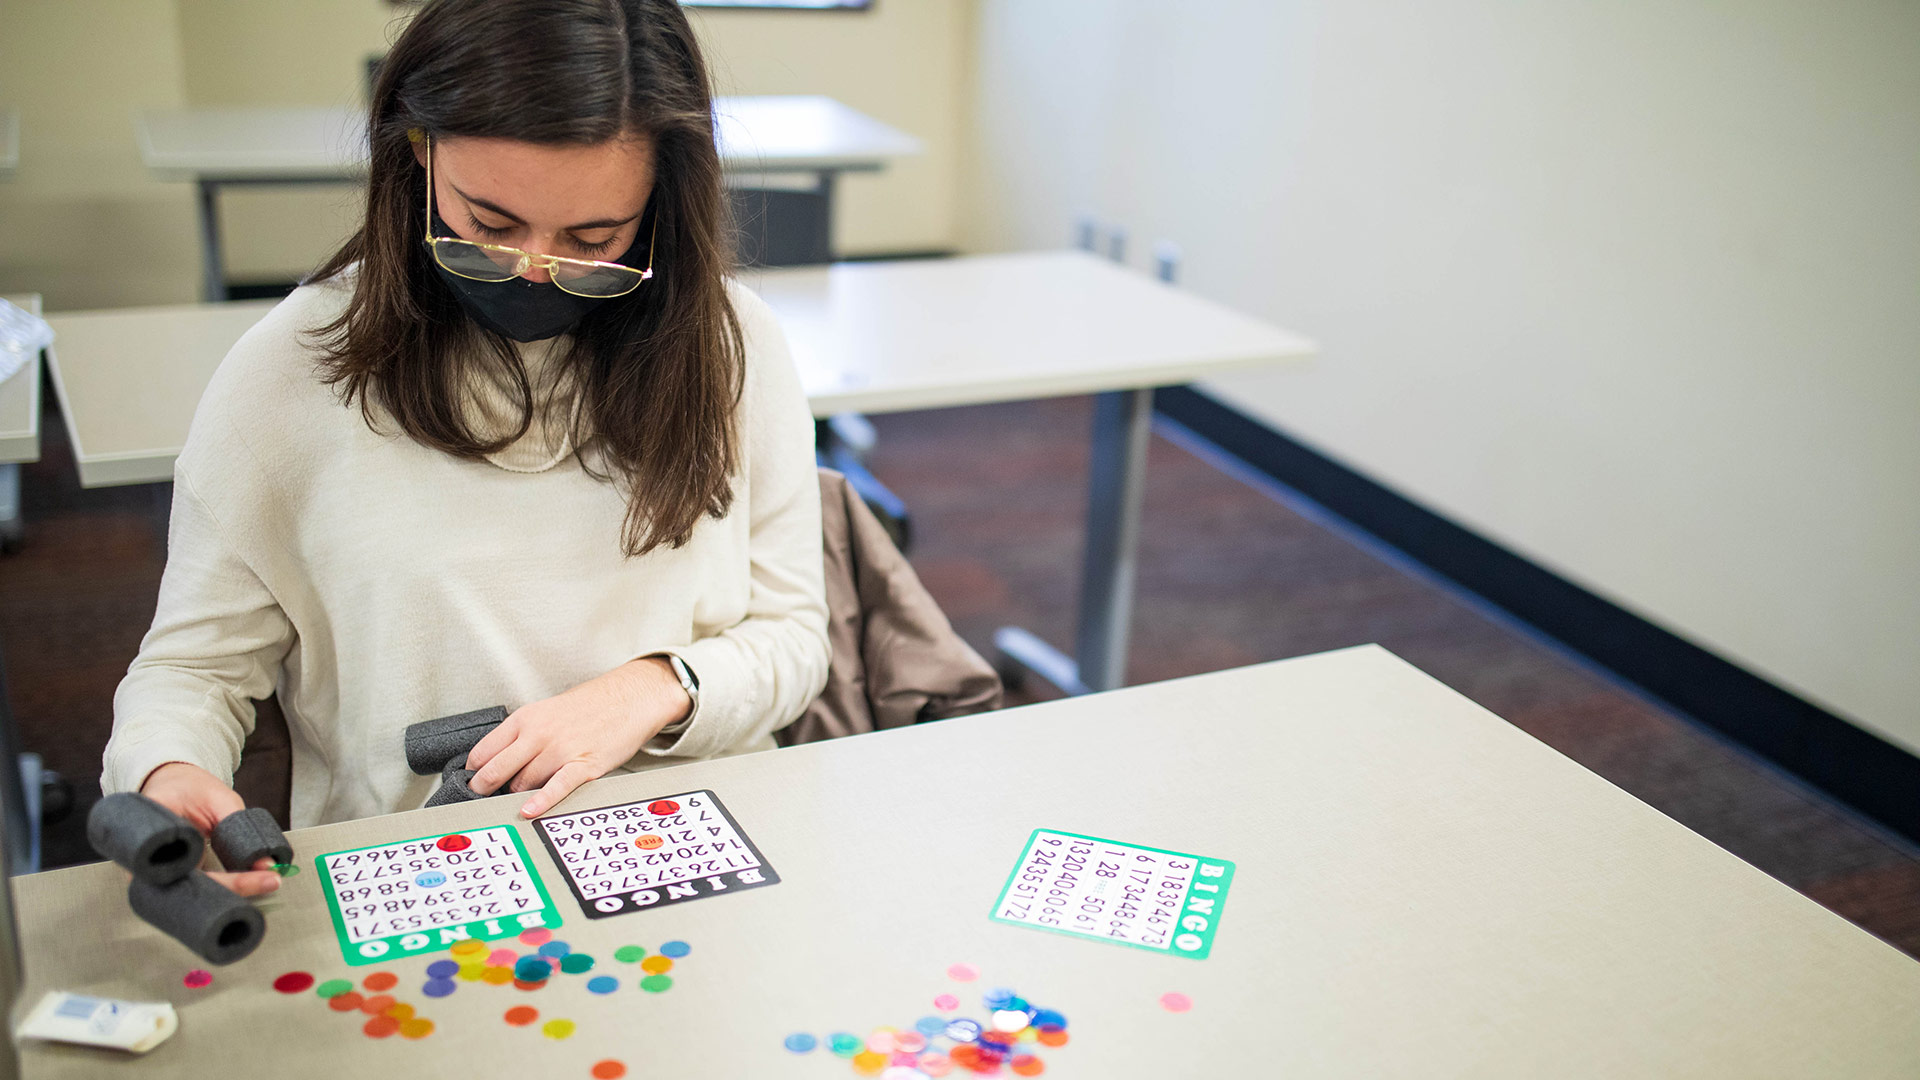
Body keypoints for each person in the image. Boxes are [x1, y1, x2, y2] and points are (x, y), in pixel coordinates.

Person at [100, 0, 830, 896]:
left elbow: (795, 637)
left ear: (659, 206)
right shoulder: (291, 372)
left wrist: (654, 689)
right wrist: (164, 772)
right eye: (489, 224)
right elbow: (193, 669)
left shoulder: (730, 345)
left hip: (690, 837)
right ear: (417, 149)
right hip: (425, 874)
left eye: (594, 241)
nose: (534, 268)